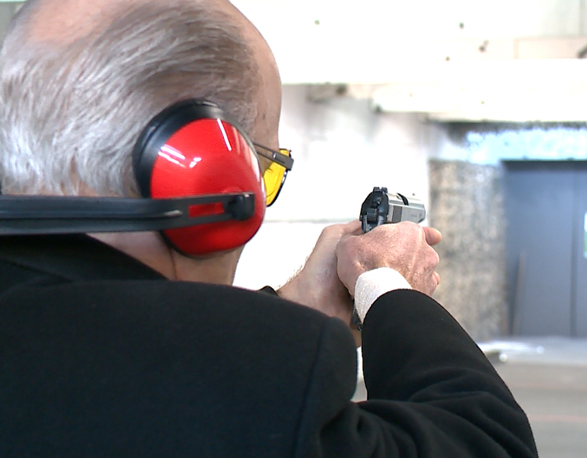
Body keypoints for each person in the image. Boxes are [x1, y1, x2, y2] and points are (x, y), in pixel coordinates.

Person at [0, 0, 539, 457]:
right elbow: (487, 438)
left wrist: (293, 302)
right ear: (205, 171)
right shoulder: (261, 366)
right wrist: (388, 285)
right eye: (264, 166)